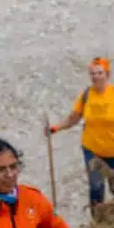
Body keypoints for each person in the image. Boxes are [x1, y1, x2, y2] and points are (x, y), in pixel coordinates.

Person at [48, 58, 114, 209]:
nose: (96, 76)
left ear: (107, 74)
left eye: (99, 73)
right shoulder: (86, 95)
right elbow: (74, 118)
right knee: (96, 186)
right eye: (93, 74)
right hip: (92, 150)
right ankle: (97, 222)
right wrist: (55, 128)